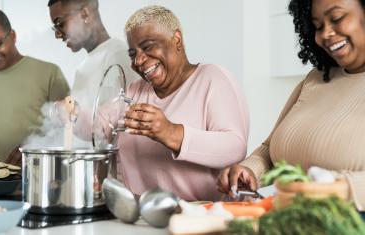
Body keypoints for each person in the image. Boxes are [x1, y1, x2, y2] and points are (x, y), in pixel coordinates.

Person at [217, 0, 365, 211]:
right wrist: (248, 171)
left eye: (336, 18)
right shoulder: (314, 80)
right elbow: (271, 150)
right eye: (318, 26)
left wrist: (342, 188)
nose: (325, 34)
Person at [117, 5, 249, 201]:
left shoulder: (212, 78)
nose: (138, 60)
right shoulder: (134, 91)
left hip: (204, 218)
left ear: (176, 39)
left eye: (147, 47)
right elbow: (99, 123)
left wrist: (170, 132)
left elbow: (235, 147)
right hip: (145, 218)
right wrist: (71, 112)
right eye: (132, 53)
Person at [0, 8, 70, 165]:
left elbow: (70, 128)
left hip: (45, 178)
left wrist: (34, 150)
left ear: (13, 36)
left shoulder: (49, 73)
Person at [48, 0, 138, 109]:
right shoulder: (80, 70)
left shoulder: (119, 55)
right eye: (55, 28)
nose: (57, 35)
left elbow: (138, 113)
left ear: (85, 14)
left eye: (60, 24)